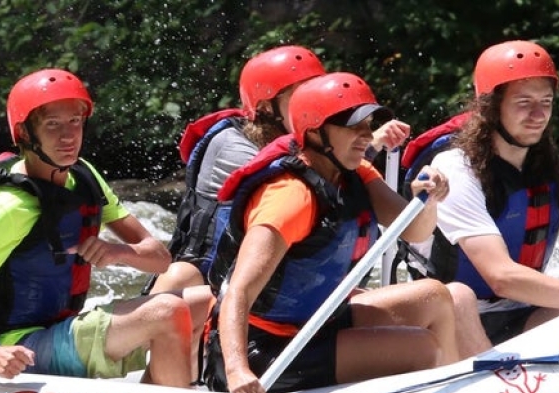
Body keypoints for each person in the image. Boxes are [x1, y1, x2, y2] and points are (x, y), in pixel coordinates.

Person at [0, 68, 212, 387]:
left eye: (75, 122)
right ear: (26, 134)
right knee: (166, 310)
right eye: (52, 124)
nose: (68, 136)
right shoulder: (8, 207)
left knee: (196, 289)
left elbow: (160, 259)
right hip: (22, 348)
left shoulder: (82, 175)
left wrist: (117, 251)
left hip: (62, 328)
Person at [202, 72, 459, 393]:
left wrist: (426, 201)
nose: (366, 136)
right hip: (266, 348)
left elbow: (416, 231)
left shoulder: (357, 174)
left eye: (368, 126)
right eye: (353, 127)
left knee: (435, 296)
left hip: (319, 321)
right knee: (420, 348)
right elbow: (238, 291)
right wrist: (237, 372)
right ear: (315, 132)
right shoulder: (289, 197)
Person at [146, 45, 410, 295]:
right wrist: (367, 145)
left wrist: (361, 140)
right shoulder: (230, 146)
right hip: (212, 276)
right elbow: (303, 176)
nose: (313, 98)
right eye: (300, 92)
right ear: (265, 108)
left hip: (279, 281)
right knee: (181, 276)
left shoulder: (312, 143)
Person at [404, 40, 559, 347]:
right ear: (491, 107)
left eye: (546, 102)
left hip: (522, 311)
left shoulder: (542, 164)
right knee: (458, 298)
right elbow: (502, 277)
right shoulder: (456, 168)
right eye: (524, 103)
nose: (538, 114)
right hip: (455, 319)